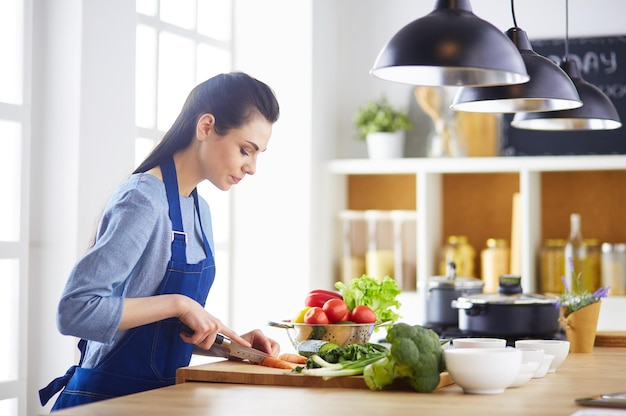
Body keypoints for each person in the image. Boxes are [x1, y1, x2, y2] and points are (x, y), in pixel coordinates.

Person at [39, 72, 281, 411]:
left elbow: (163, 332)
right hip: (105, 403)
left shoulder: (199, 209)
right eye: (246, 150)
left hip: (158, 402)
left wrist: (233, 345)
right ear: (206, 127)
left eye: (259, 155)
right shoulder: (143, 200)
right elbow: (74, 311)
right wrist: (179, 303)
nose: (252, 167)